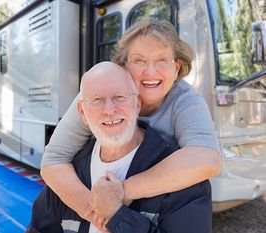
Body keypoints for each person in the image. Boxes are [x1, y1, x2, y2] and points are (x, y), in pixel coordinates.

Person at [40, 19, 222, 228]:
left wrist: (122, 191)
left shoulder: (186, 101)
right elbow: (53, 160)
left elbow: (207, 158)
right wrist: (95, 213)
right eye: (139, 60)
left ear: (176, 67)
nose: (151, 72)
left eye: (162, 60)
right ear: (123, 66)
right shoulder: (94, 96)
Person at [27, 62, 212, 233]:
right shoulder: (69, 175)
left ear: (137, 104)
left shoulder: (183, 181)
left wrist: (118, 216)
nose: (109, 110)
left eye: (119, 97)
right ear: (82, 112)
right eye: (97, 99)